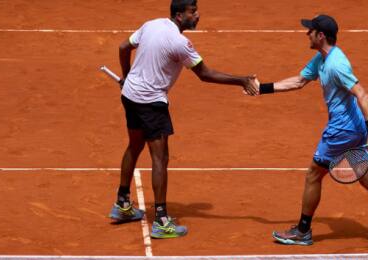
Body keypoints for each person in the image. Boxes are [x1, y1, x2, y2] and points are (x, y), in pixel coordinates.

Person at [257, 14, 368, 251]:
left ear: (320, 35)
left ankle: (303, 231)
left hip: (342, 131)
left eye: (310, 30)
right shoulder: (322, 58)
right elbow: (298, 82)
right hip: (353, 129)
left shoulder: (336, 64)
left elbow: (362, 93)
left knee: (314, 174)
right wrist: (261, 88)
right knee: (367, 179)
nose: (307, 34)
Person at [109, 0, 259, 239]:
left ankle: (122, 205)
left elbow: (123, 47)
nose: (197, 16)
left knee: (134, 145)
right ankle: (161, 220)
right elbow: (205, 74)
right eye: (192, 12)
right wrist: (241, 80)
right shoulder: (181, 43)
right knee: (160, 158)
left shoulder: (151, 24)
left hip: (130, 96)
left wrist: (127, 76)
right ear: (179, 15)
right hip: (151, 102)